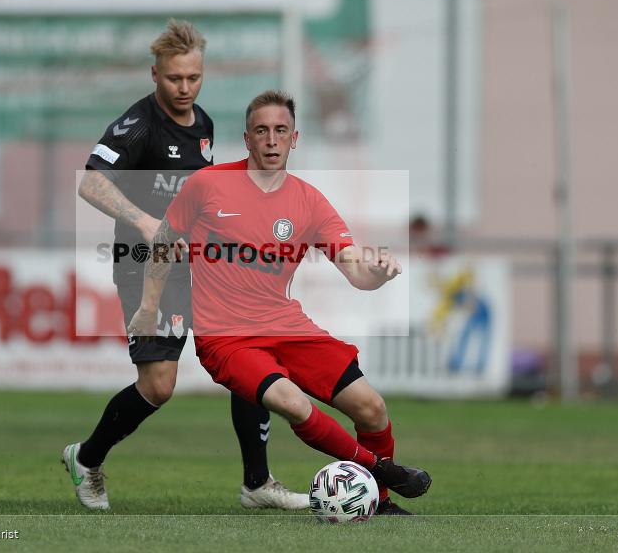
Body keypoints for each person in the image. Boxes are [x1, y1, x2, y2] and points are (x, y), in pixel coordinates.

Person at [127, 90, 432, 515]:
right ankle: (382, 471)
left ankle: (378, 503)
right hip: (227, 339)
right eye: (262, 131)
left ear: (295, 139)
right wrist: (147, 308)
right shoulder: (208, 185)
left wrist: (376, 274)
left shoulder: (309, 201)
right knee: (293, 403)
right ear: (247, 139)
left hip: (287, 327)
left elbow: (356, 271)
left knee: (372, 407)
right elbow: (162, 244)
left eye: (281, 131)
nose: (271, 140)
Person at [64, 22, 307, 510]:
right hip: (144, 266)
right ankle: (87, 458)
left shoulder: (204, 125)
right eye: (175, 78)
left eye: (193, 78)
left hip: (200, 265)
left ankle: (257, 483)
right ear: (155, 74)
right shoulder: (138, 125)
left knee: (247, 359)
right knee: (159, 385)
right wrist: (145, 221)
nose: (184, 88)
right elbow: (91, 183)